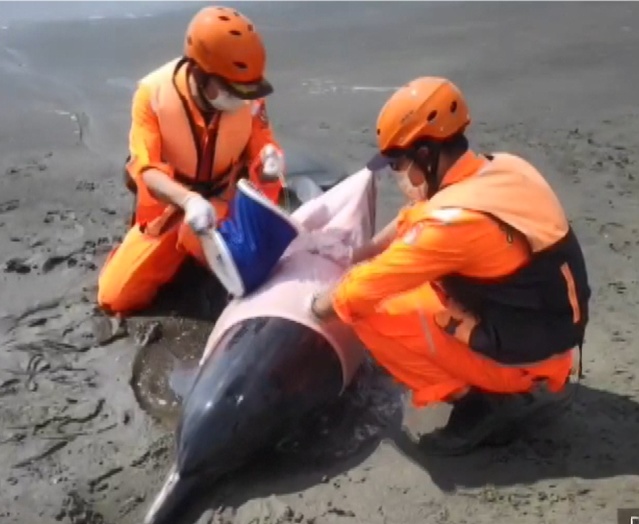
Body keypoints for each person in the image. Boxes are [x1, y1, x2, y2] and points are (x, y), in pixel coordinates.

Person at [309, 77, 591, 456]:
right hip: (548, 336)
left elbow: (360, 291)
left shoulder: (453, 224)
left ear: (425, 154)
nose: (397, 174)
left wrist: (314, 308)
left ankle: (488, 399)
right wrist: (361, 253)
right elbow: (417, 216)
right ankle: (516, 376)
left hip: (525, 357)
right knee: (407, 283)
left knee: (365, 314)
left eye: (398, 162)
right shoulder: (503, 168)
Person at [98, 5, 286, 315]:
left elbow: (262, 141)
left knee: (253, 277)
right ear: (199, 72)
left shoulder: (248, 95)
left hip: (226, 204)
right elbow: (145, 170)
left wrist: (269, 162)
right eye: (230, 89)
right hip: (172, 208)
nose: (241, 98)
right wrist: (188, 201)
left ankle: (206, 253)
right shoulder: (152, 96)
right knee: (116, 297)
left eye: (247, 90)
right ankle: (176, 250)